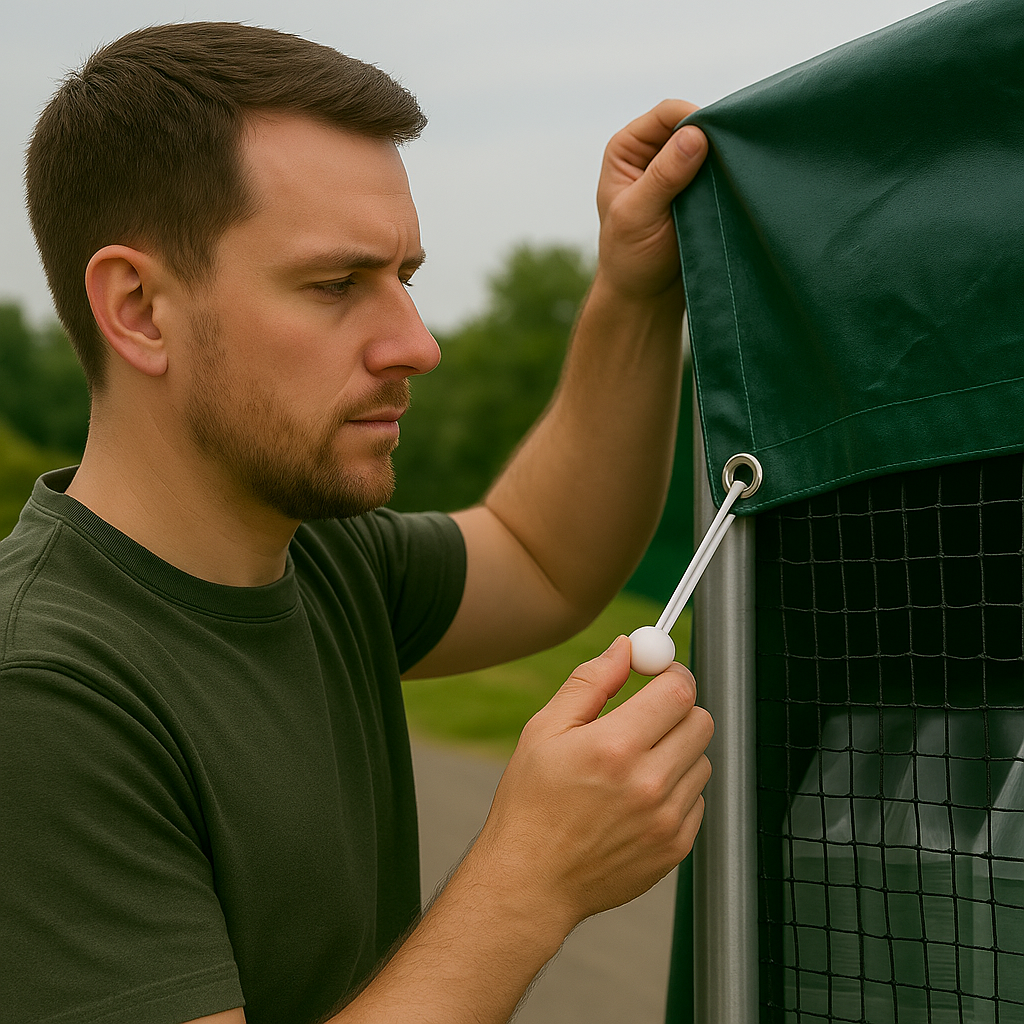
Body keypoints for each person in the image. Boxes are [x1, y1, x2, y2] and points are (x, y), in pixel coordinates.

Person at [1, 21, 713, 1024]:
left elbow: (542, 555)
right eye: (336, 285)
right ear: (139, 308)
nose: (415, 344)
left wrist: (633, 292)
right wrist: (529, 878)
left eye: (405, 278)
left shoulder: (316, 556)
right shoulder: (41, 693)